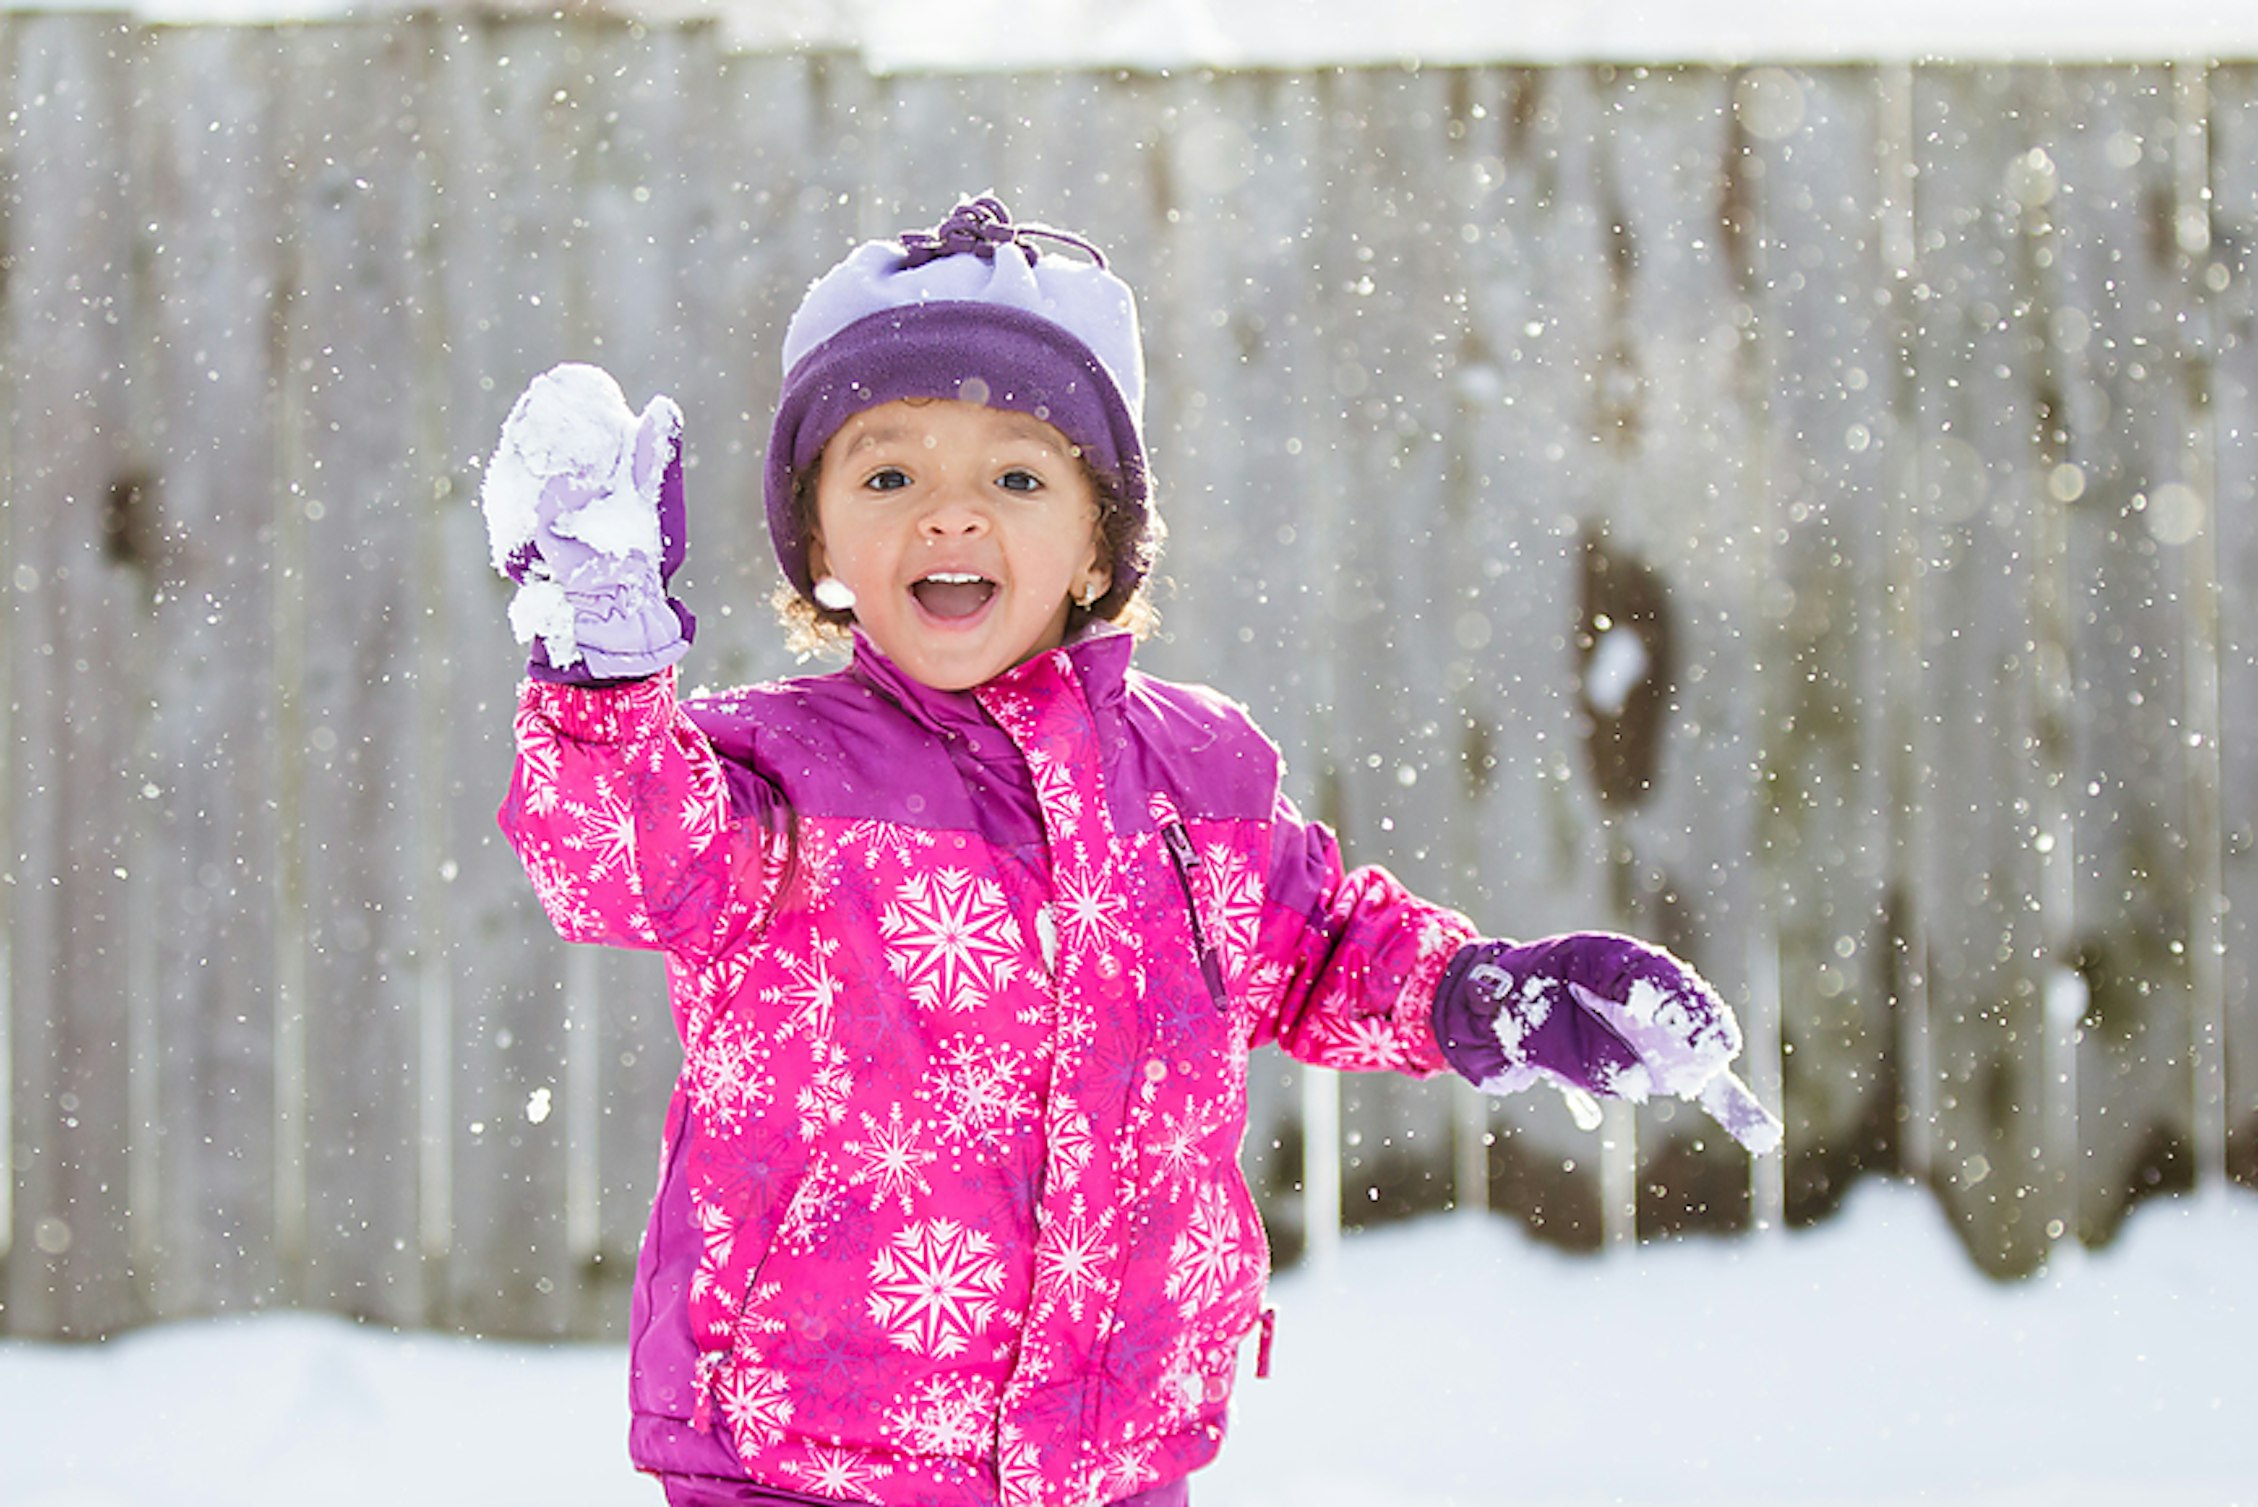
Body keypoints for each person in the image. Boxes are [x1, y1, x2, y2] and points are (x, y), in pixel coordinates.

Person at [485, 196, 1780, 1507]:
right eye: (887, 474)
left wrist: (1485, 996)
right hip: (805, 1450)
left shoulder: (1199, 780)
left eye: (1016, 475)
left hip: (1112, 1446)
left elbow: (1321, 947)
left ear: (1101, 535)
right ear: (816, 538)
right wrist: (601, 679)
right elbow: (615, 865)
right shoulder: (774, 777)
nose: (949, 515)